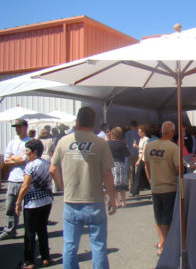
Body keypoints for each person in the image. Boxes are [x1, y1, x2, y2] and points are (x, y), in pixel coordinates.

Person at [50, 107, 117, 269]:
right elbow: (107, 174)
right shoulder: (100, 143)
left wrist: (63, 187)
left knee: (70, 246)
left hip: (71, 200)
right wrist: (112, 197)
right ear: (94, 123)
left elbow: (52, 169)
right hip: (94, 200)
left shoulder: (64, 141)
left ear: (77, 121)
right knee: (99, 245)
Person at [15, 139, 53, 268]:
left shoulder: (30, 166)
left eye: (27, 151)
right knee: (42, 229)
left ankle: (29, 261)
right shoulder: (46, 163)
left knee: (30, 232)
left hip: (32, 203)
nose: (26, 154)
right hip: (46, 201)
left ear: (35, 152)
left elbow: (25, 185)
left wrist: (18, 201)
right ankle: (45, 257)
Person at [144, 121, 179, 257]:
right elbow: (178, 169)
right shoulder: (173, 147)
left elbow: (146, 165)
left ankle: (161, 242)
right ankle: (163, 245)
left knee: (158, 217)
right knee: (167, 218)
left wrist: (150, 180)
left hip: (155, 186)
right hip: (169, 186)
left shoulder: (150, 146)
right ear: (172, 132)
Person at [0, 119, 32, 241]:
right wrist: (17, 158)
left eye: (20, 127)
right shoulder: (12, 142)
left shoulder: (29, 142)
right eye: (16, 128)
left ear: (25, 127)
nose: (18, 129)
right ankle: (10, 230)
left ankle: (29, 231)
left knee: (27, 207)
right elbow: (6, 160)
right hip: (13, 178)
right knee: (10, 206)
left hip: (25, 177)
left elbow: (26, 159)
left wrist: (14, 158)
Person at [108, 127, 130, 208]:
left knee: (114, 184)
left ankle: (116, 201)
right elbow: (127, 154)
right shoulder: (121, 143)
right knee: (122, 184)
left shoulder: (108, 143)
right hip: (120, 164)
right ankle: (124, 201)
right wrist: (126, 145)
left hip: (111, 165)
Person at [131, 124, 150, 199]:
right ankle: (136, 190)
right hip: (140, 157)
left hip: (143, 159)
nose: (138, 133)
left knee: (139, 174)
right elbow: (141, 149)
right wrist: (137, 147)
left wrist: (139, 160)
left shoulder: (146, 139)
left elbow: (144, 151)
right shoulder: (141, 139)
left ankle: (135, 191)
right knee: (141, 174)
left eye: (139, 131)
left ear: (143, 132)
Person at [124, 121, 140, 194]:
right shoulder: (138, 133)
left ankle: (131, 186)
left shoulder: (127, 133)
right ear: (136, 125)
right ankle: (136, 187)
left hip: (129, 154)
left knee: (130, 171)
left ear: (131, 125)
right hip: (137, 154)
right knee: (136, 171)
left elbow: (126, 143)